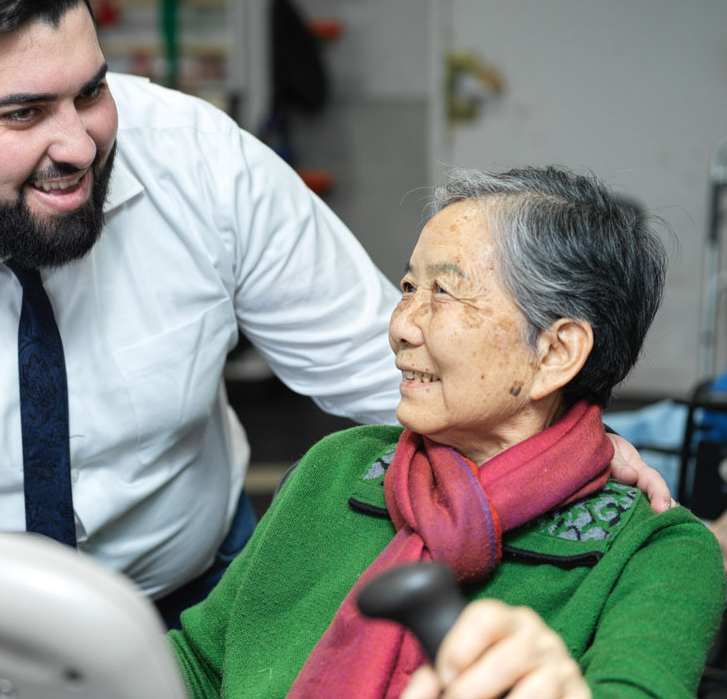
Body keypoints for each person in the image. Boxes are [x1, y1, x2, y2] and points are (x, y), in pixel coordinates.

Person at [0, 0, 667, 658]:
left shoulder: (198, 163)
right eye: (22, 114)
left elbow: (381, 364)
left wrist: (555, 446)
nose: (79, 145)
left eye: (90, 91)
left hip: (205, 600)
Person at [168, 166, 724, 699]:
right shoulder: (337, 468)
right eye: (409, 286)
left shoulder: (656, 551)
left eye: (444, 293)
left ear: (555, 353)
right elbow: (197, 664)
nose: (401, 325)